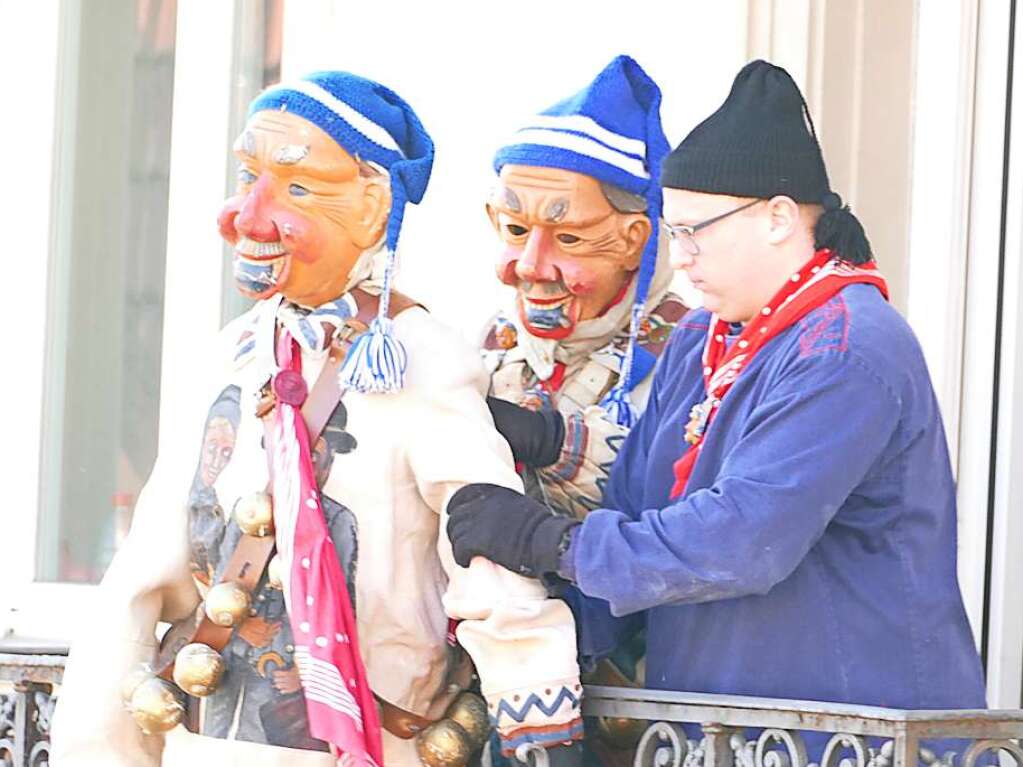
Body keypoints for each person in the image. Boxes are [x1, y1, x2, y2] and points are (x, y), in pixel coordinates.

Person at [446, 60, 988, 754]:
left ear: (778, 217)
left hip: (849, 736)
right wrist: (524, 618)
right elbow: (638, 501)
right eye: (674, 233)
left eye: (697, 231)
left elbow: (739, 540)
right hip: (719, 734)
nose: (684, 256)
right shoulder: (703, 337)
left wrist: (553, 542)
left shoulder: (847, 348)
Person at [52, 70, 582, 767]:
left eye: (296, 189)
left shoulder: (420, 357)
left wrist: (538, 730)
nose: (246, 215)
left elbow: (491, 565)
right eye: (248, 177)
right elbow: (146, 570)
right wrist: (100, 745)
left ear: (370, 209)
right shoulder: (235, 352)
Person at [478, 55, 685, 762]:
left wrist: (549, 441)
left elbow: (684, 507)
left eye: (567, 238)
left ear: (637, 241)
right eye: (513, 230)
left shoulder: (693, 349)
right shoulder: (485, 348)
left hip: (633, 714)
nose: (529, 265)